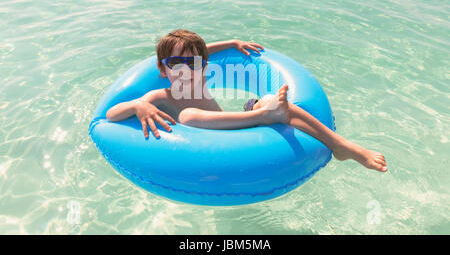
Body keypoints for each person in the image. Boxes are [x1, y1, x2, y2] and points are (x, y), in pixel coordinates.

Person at [106, 29, 387, 172]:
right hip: (207, 141)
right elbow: (110, 115)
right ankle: (261, 114)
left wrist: (231, 43)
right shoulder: (159, 97)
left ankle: (341, 146)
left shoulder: (200, 76)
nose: (184, 69)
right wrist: (137, 105)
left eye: (192, 62)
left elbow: (207, 52)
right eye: (174, 63)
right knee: (188, 116)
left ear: (204, 67)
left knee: (272, 101)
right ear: (162, 70)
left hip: (238, 128)